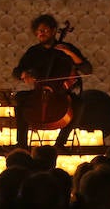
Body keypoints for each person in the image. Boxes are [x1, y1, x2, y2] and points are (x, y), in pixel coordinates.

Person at [12, 14, 92, 149]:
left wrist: (70, 54)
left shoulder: (66, 48)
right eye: (38, 32)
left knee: (79, 104)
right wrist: (24, 74)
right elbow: (16, 71)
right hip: (39, 92)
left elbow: (87, 69)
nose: (40, 34)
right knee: (19, 101)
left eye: (44, 30)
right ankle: (21, 144)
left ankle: (60, 144)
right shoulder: (33, 52)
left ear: (54, 30)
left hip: (60, 93)